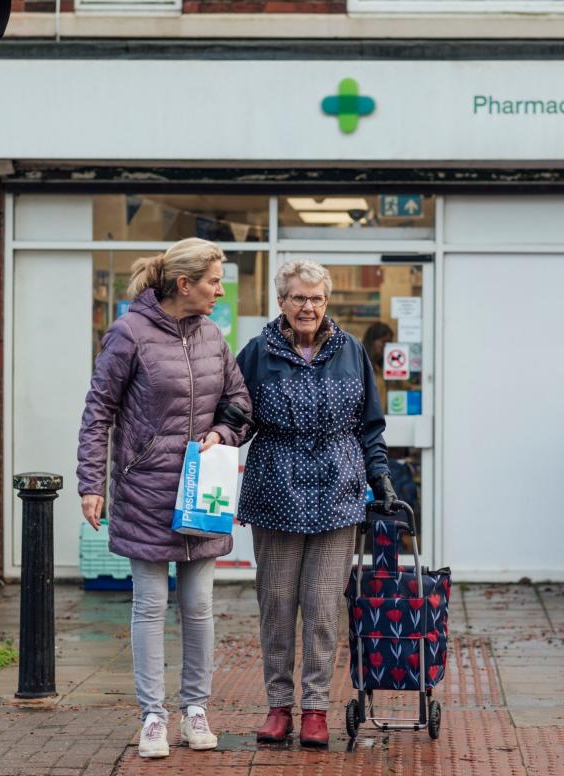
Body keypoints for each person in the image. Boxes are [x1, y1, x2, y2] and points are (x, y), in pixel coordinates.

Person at [76, 237, 251, 759]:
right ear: (184, 284)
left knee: (198, 607)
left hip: (204, 494)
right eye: (214, 281)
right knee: (151, 606)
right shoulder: (129, 333)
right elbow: (97, 411)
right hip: (147, 490)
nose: (219, 291)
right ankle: (152, 715)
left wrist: (221, 434)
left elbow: (238, 400)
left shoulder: (213, 336)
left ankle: (195, 709)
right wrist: (91, 483)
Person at [234, 259, 397, 749]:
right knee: (277, 605)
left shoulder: (351, 352)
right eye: (299, 298)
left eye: (316, 299)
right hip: (274, 489)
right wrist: (217, 439)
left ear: (327, 303)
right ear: (281, 301)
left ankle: (316, 709)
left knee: (324, 608)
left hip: (337, 491)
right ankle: (278, 707)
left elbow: (369, 425)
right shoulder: (258, 352)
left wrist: (381, 477)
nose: (308, 307)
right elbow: (237, 414)